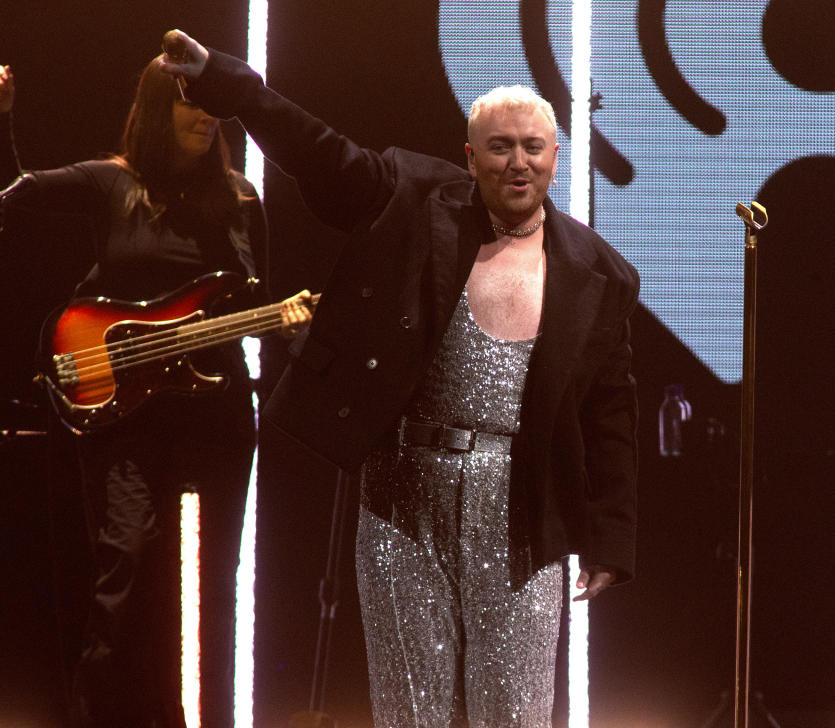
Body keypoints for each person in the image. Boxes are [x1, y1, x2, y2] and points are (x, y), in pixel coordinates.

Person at [162, 28, 640, 728]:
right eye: (500, 148)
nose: (518, 163)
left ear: (555, 157)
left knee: (516, 713)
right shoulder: (417, 200)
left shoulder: (600, 272)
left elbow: (611, 414)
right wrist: (228, 86)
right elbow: (321, 153)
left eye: (532, 147)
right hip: (401, 499)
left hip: (524, 512)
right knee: (413, 713)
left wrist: (609, 540)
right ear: (470, 158)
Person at [0, 60, 311, 728]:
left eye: (212, 109)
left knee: (210, 583)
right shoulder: (111, 182)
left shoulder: (240, 198)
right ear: (154, 108)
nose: (205, 117)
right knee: (129, 567)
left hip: (216, 411)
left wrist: (290, 322)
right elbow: (14, 198)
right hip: (123, 415)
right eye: (189, 105)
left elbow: (254, 297)